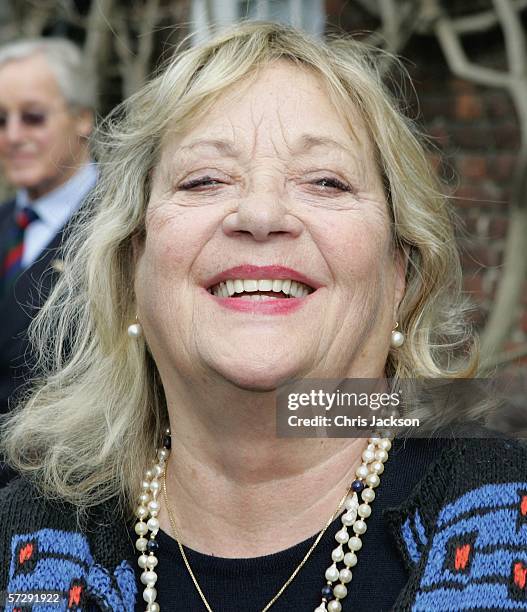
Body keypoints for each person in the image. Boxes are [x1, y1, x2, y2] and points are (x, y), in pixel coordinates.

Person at [0, 21, 525, 612]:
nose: (260, 212)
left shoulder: (507, 510)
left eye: (325, 181)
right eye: (204, 180)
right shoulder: (23, 542)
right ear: (130, 269)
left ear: (400, 271)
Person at [0, 38, 97, 448]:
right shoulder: (7, 223)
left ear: (82, 119)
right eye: (0, 120)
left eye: (34, 117)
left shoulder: (121, 227)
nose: (14, 135)